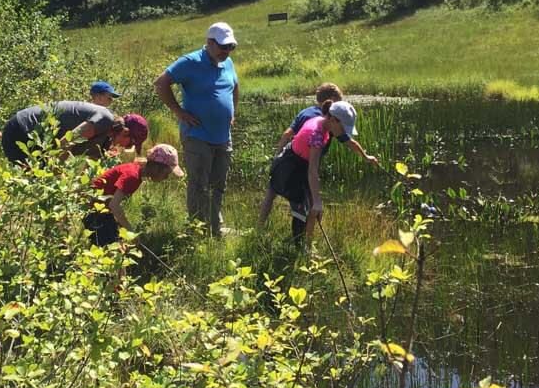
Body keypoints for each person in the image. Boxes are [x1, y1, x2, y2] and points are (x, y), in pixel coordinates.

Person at [154, 22, 239, 236]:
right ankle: (198, 230)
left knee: (219, 184)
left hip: (223, 137)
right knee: (199, 184)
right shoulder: (190, 62)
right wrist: (179, 112)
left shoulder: (228, 63)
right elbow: (161, 83)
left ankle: (215, 227)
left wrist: (232, 113)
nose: (227, 51)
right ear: (209, 43)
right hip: (197, 135)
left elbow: (234, 87)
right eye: (223, 47)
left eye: (231, 47)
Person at [265, 100, 380, 244]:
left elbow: (349, 142)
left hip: (297, 163)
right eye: (344, 127)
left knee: (310, 208)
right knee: (303, 212)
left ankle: (307, 246)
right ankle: (299, 252)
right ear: (333, 119)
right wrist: (318, 202)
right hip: (291, 169)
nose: (345, 132)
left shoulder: (324, 121)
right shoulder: (317, 135)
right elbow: (312, 171)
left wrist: (366, 157)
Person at [258, 82, 351, 224]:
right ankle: (307, 242)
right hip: (305, 166)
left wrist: (277, 157)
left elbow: (287, 134)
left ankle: (259, 228)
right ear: (332, 99)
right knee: (309, 203)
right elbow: (345, 140)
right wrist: (365, 155)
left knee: (271, 194)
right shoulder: (329, 121)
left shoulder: (307, 112)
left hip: (287, 158)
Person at [84, 143, 185, 246]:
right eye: (166, 173)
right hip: (90, 210)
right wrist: (131, 232)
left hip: (102, 210)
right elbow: (114, 205)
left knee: (118, 246)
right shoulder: (132, 176)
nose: (166, 178)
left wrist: (123, 227)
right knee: (111, 249)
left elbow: (111, 202)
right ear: (157, 167)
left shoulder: (136, 172)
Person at [1, 100, 149, 164]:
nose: (126, 147)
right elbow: (67, 141)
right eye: (130, 144)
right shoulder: (105, 119)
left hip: (32, 138)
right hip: (22, 130)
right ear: (125, 132)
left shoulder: (105, 140)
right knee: (40, 184)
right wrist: (57, 174)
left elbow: (90, 169)